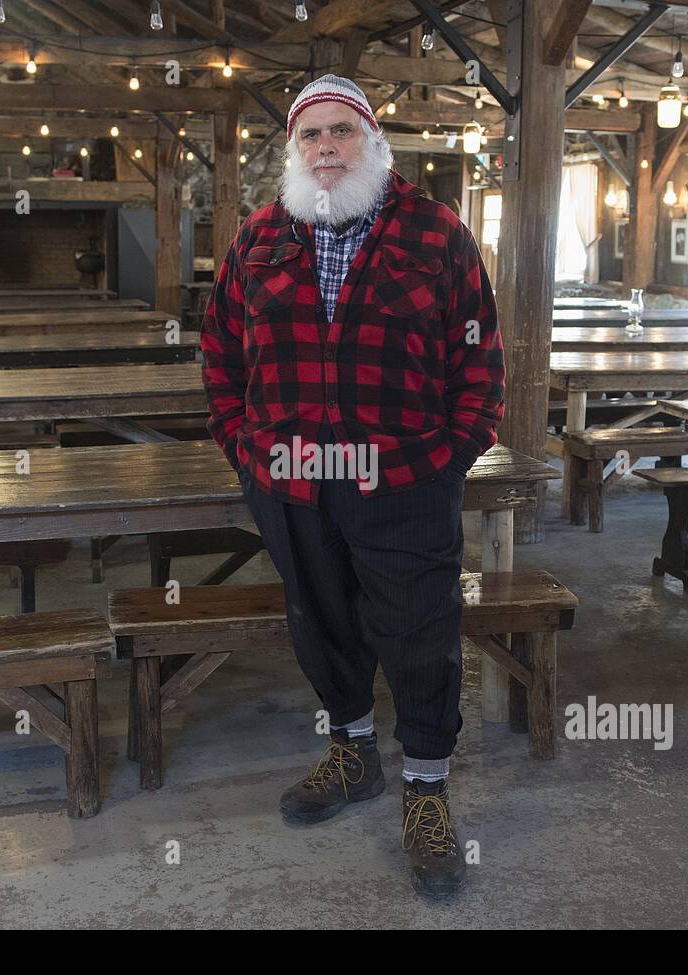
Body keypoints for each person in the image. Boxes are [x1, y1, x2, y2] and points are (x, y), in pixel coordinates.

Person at [200, 73, 505, 898]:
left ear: (372, 140)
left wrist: (452, 454)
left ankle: (428, 788)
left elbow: (479, 357)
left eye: (341, 131)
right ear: (293, 150)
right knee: (322, 622)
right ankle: (353, 755)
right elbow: (220, 354)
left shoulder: (436, 233)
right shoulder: (258, 238)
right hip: (294, 480)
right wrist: (244, 448)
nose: (326, 147)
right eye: (311, 135)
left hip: (403, 476)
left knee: (420, 630)